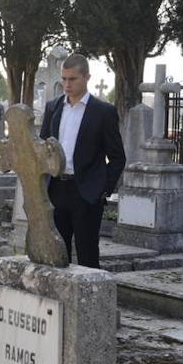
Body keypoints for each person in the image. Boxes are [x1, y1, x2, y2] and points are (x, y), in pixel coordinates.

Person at [37, 53, 126, 268]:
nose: (67, 84)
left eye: (72, 79)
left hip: (85, 191)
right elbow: (42, 148)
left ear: (87, 77)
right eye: (64, 79)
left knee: (87, 255)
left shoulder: (103, 112)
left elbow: (117, 157)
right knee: (57, 255)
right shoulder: (53, 108)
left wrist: (102, 189)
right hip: (56, 189)